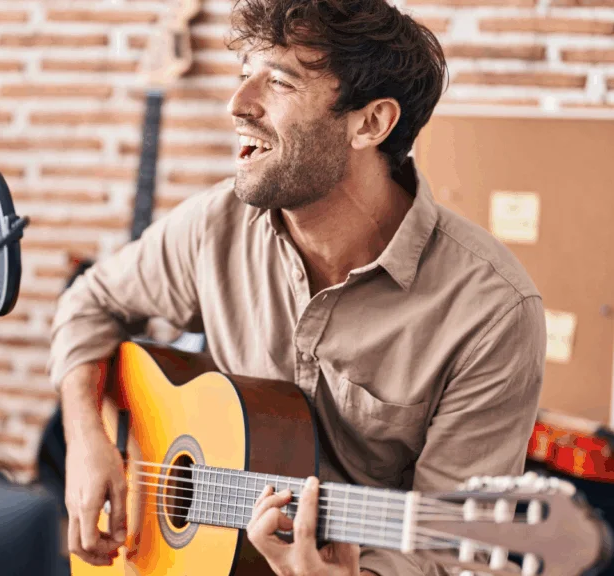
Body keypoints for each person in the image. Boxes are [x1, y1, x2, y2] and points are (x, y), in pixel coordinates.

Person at [46, 0, 546, 573]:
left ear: (370, 124)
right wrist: (86, 437)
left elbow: (454, 554)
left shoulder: (492, 311)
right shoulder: (216, 225)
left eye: (279, 82)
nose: (237, 103)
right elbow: (90, 302)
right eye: (244, 75)